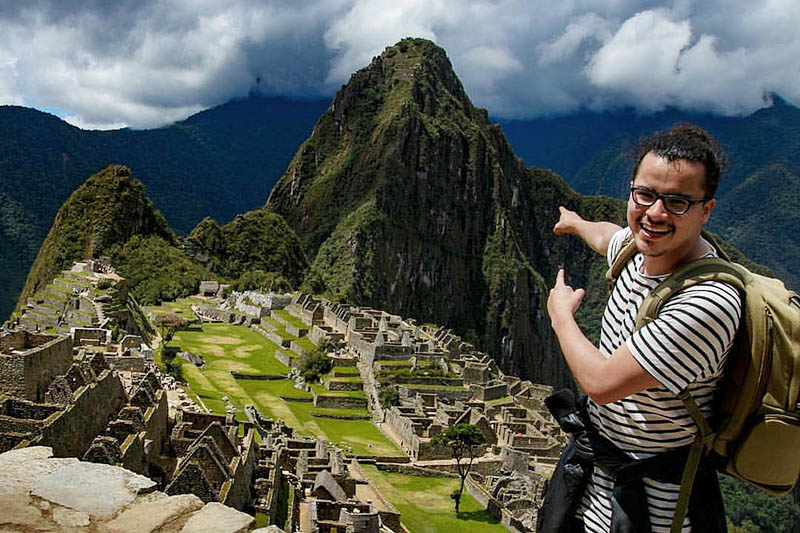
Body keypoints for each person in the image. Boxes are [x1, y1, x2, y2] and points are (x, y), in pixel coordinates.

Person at [542, 124, 742, 532]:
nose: (654, 213)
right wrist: (576, 222)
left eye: (677, 202)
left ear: (706, 210)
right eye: (645, 195)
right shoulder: (637, 251)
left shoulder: (707, 303)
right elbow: (607, 236)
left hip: (656, 511)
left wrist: (561, 316)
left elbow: (601, 383)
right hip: (591, 492)